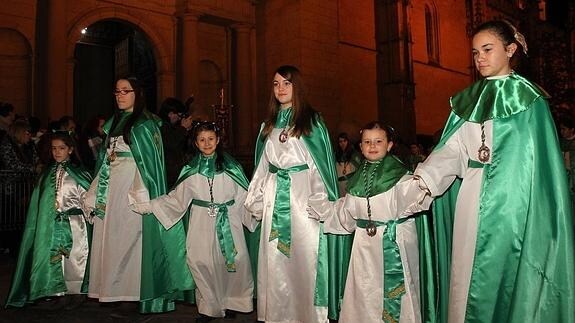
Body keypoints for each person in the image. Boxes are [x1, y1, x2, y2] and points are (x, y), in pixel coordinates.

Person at [411, 20, 575, 323]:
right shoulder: (468, 99)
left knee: (508, 275)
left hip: (515, 208)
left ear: (510, 49)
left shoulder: (529, 101)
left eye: (487, 49)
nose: (480, 58)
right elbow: (454, 150)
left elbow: (539, 169)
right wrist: (425, 179)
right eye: (475, 53)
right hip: (472, 202)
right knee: (466, 272)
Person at [244, 65, 348, 322]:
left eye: (286, 83)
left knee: (304, 256)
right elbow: (262, 165)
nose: (280, 88)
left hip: (301, 198)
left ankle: (306, 314)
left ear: (297, 86)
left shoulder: (311, 122)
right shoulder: (268, 125)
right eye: (276, 83)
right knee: (275, 257)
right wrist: (256, 198)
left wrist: (319, 199)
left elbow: (319, 165)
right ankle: (277, 314)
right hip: (273, 195)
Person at [82, 76, 194, 313]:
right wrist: (95, 189)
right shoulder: (114, 122)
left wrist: (141, 192)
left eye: (125, 91)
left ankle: (132, 293)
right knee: (112, 239)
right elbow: (105, 158)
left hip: (132, 190)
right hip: (110, 189)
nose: (120, 95)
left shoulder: (145, 124)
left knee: (130, 240)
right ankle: (113, 289)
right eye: (117, 91)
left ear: (137, 94)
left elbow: (149, 164)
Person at [314, 121, 432, 323]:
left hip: (396, 241)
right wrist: (324, 209)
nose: (372, 145)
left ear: (389, 145)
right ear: (360, 147)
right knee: (365, 289)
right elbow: (347, 213)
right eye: (367, 141)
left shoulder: (400, 176)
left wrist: (427, 178)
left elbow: (417, 197)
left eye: (378, 141)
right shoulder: (357, 177)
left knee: (400, 288)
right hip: (364, 246)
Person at [137, 121, 254, 322]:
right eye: (202, 140)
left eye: (210, 139)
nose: (207, 143)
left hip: (229, 220)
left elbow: (244, 196)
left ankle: (232, 301)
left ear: (218, 140)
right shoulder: (191, 169)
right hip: (201, 222)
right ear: (196, 143)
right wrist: (152, 205)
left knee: (232, 260)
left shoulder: (231, 167)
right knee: (201, 261)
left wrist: (256, 211)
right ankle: (209, 306)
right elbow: (177, 199)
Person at [5, 131, 92, 309]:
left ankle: (78, 292)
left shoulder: (80, 173)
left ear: (70, 150)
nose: (57, 152)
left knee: (75, 259)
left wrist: (88, 211)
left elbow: (88, 196)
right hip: (53, 224)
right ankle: (59, 292)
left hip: (76, 224)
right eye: (54, 148)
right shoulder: (46, 174)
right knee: (58, 260)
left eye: (61, 148)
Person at [157, 97, 194, 188]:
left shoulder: (172, 126)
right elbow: (170, 143)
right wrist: (183, 128)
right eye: (179, 116)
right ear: (170, 114)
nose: (179, 119)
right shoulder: (160, 125)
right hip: (167, 174)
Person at [334, 132, 362, 196]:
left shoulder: (354, 154)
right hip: (339, 185)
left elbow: (360, 170)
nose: (342, 143)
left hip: (350, 183)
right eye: (340, 141)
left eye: (344, 141)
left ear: (348, 141)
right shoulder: (336, 155)